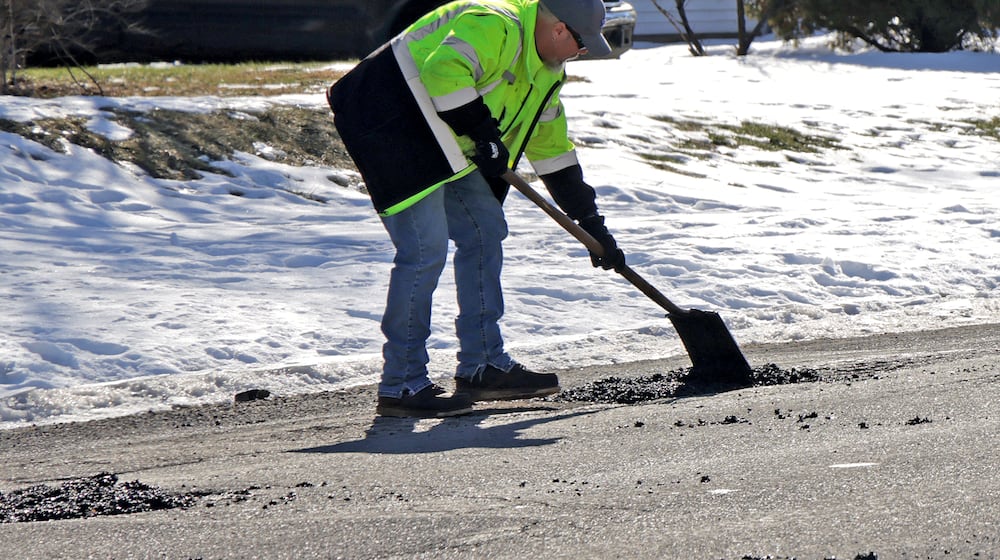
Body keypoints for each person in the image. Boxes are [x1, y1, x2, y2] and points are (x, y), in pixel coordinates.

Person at [327, 0, 625, 418]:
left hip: (446, 137)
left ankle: (482, 366)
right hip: (390, 120)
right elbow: (442, 71)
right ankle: (401, 384)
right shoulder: (495, 23)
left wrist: (593, 226)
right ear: (559, 29)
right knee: (423, 248)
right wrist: (485, 135)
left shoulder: (546, 73)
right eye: (581, 43)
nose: (582, 53)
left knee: (485, 229)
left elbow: (553, 151)